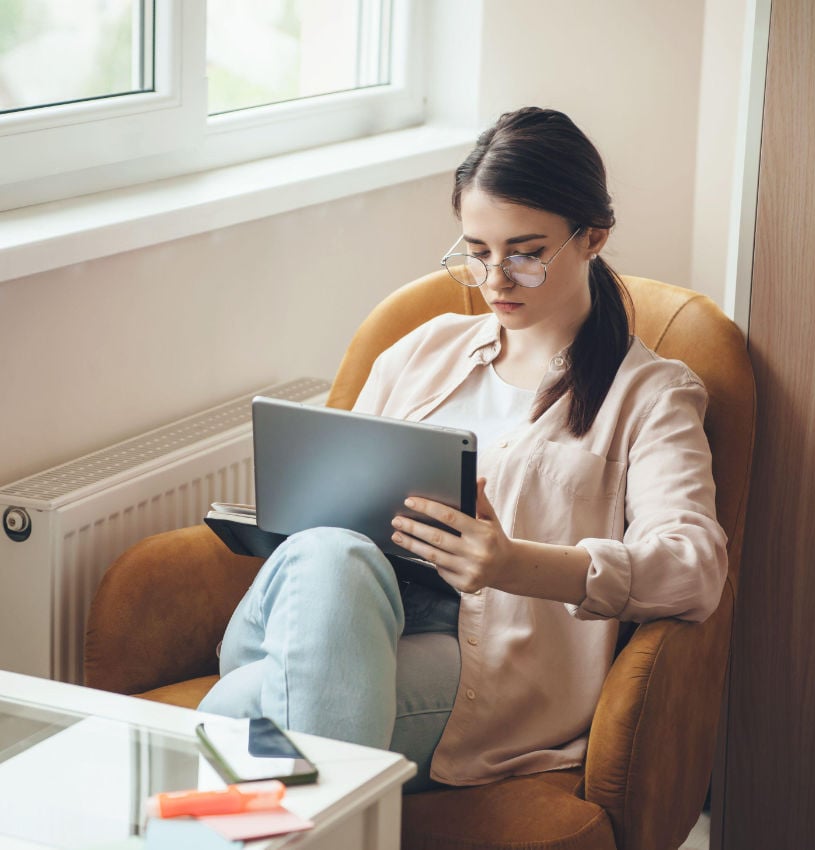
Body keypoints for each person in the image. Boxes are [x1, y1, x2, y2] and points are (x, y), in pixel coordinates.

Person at [198, 106, 727, 792]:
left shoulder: (650, 395)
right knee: (331, 552)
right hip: (332, 608)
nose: (496, 279)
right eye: (478, 252)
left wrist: (514, 563)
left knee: (236, 712)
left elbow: (694, 567)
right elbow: (331, 519)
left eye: (526, 253)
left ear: (593, 237)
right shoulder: (422, 350)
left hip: (478, 659)